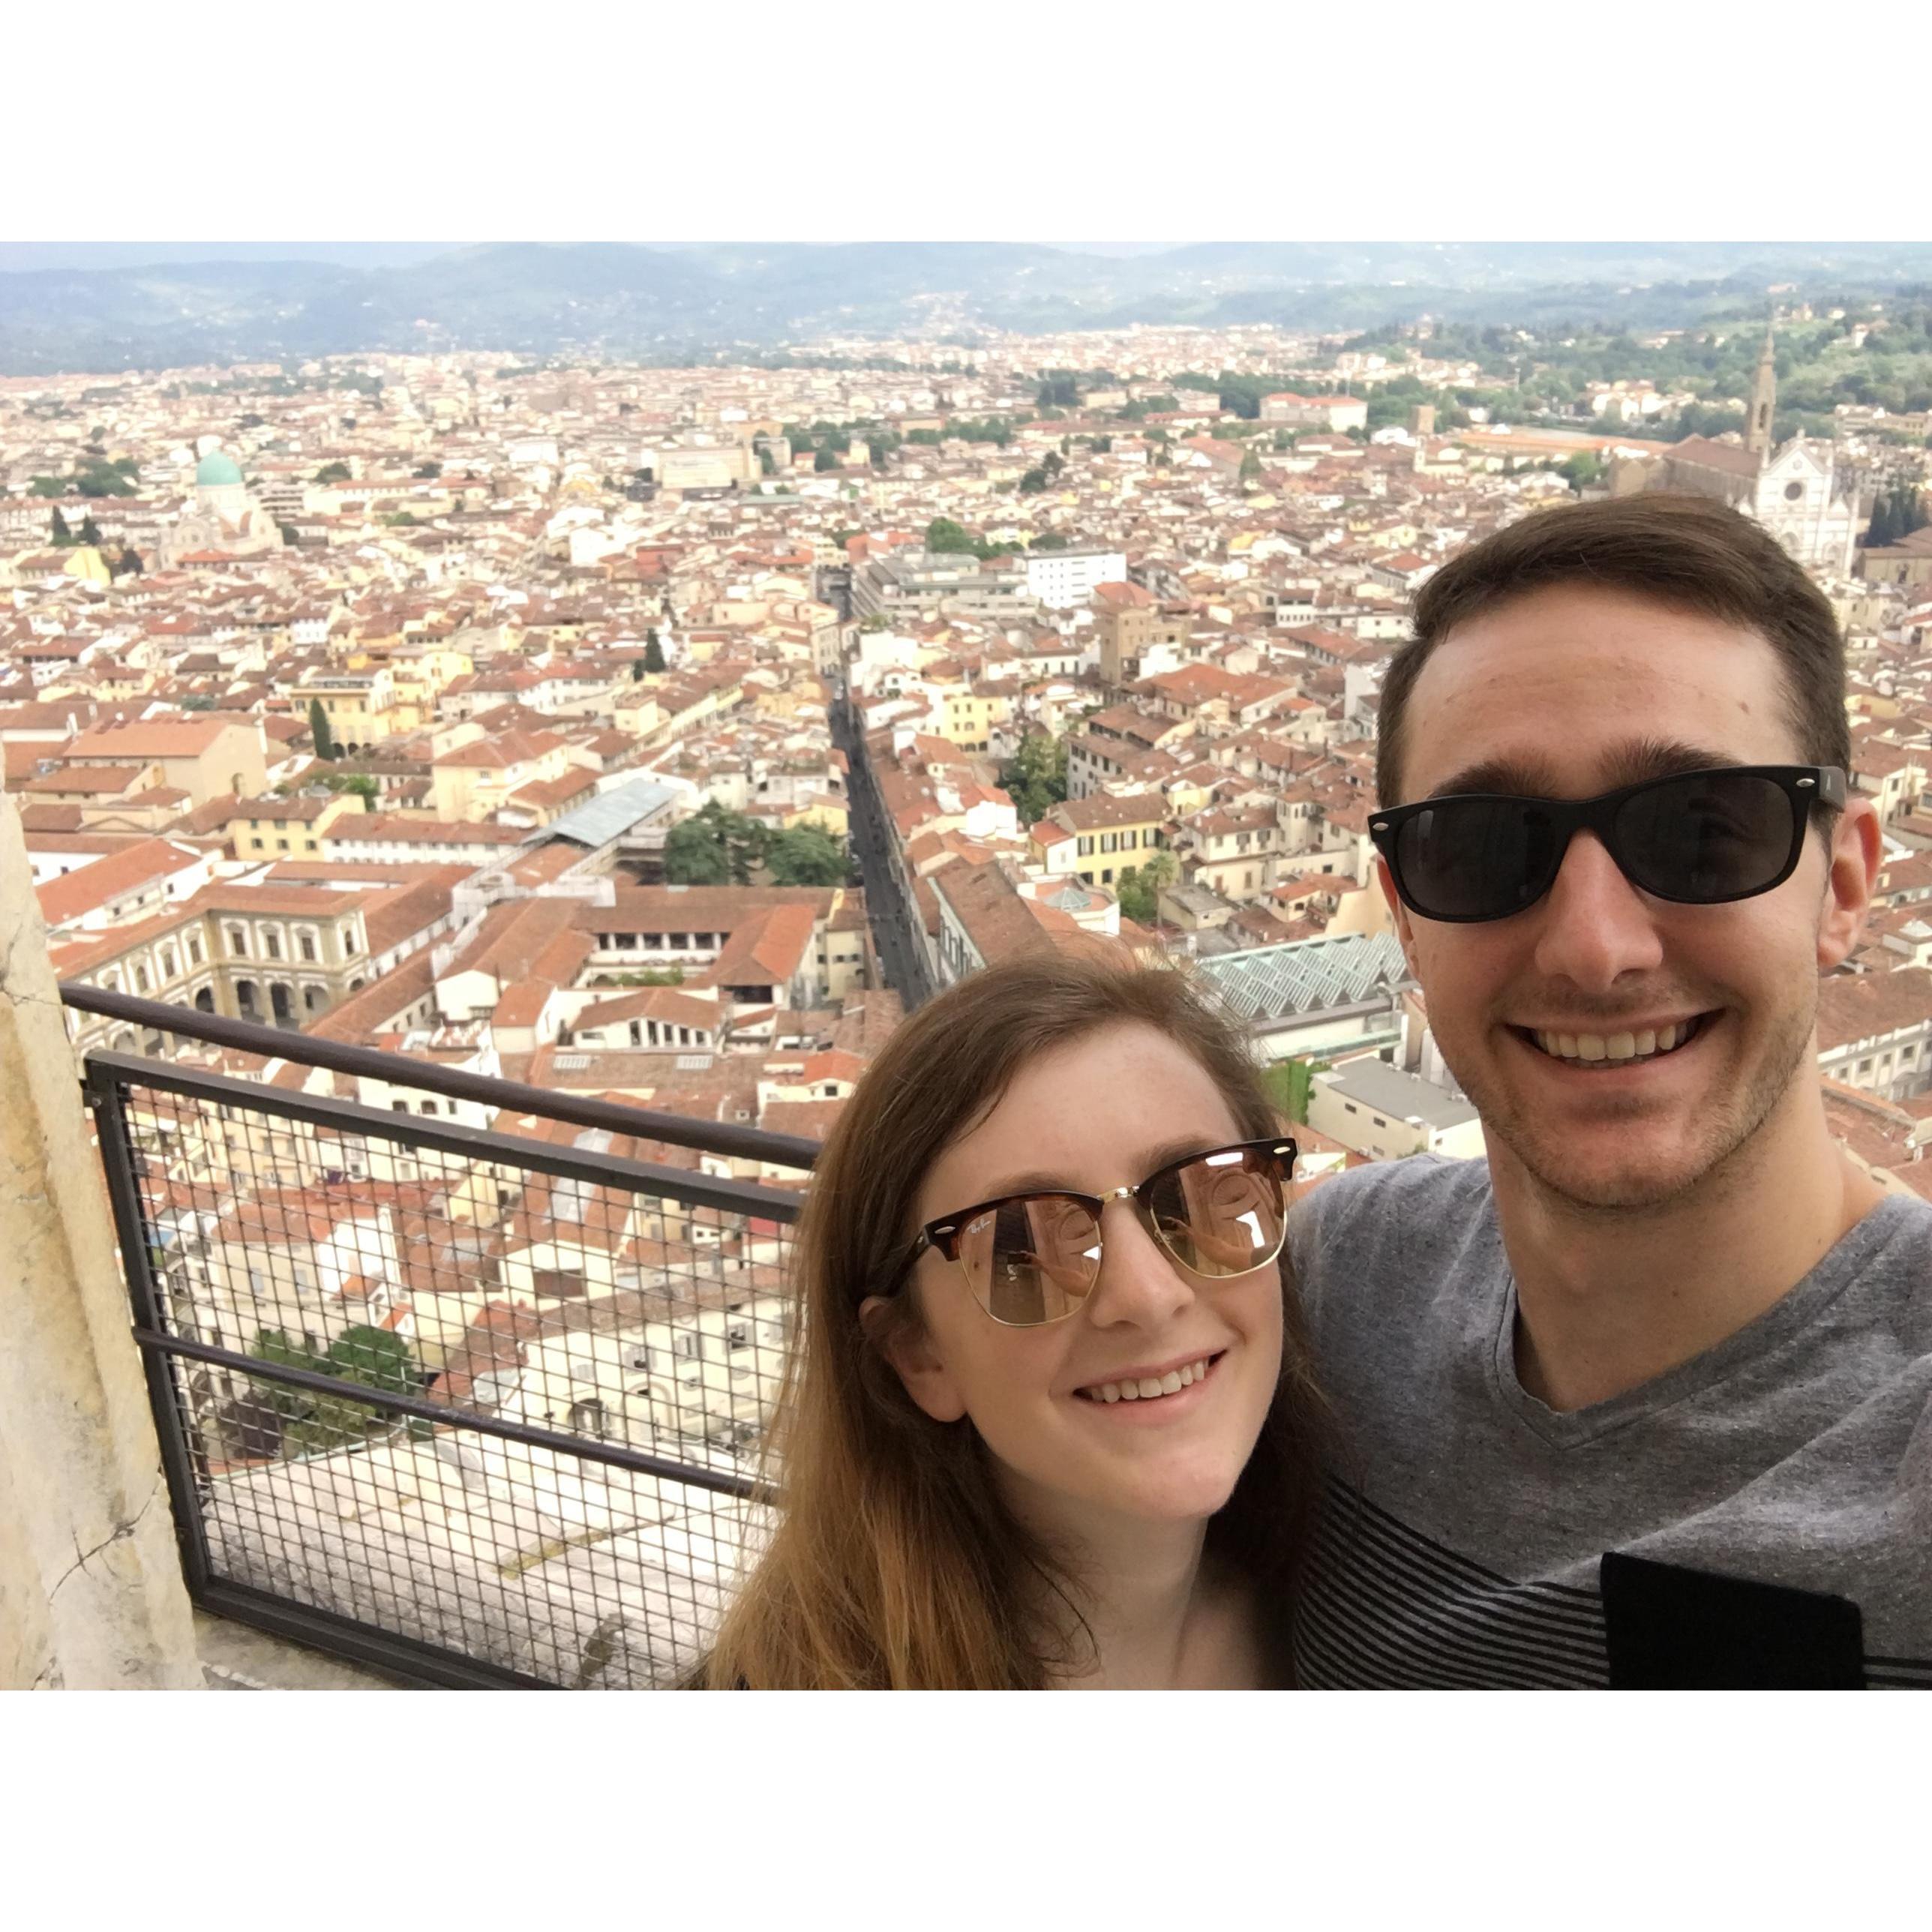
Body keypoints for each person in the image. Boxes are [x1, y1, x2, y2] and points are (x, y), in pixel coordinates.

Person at [1288, 494, 1932, 1688]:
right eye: (1482, 845)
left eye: (1701, 831)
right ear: (1405, 916)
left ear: (1843, 881)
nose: (1595, 948)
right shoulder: (1329, 1291)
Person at [695, 946, 1329, 1688]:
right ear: (916, 1352)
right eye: (1020, 1244)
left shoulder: (1359, 1608)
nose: (1149, 1295)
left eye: (1197, 1198)